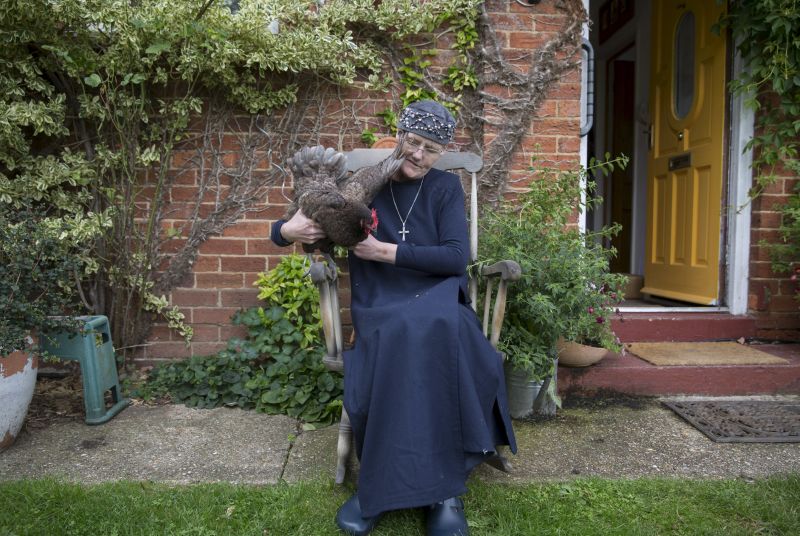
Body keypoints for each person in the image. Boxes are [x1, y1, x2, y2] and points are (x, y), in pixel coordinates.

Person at [271, 100, 517, 536]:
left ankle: (443, 493)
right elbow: (294, 228)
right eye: (414, 142)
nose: (420, 155)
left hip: (439, 297)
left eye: (432, 149)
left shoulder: (445, 189)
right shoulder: (359, 188)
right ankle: (382, 489)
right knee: (403, 334)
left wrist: (382, 251)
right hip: (381, 301)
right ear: (401, 134)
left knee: (441, 328)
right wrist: (288, 231)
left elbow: (456, 259)